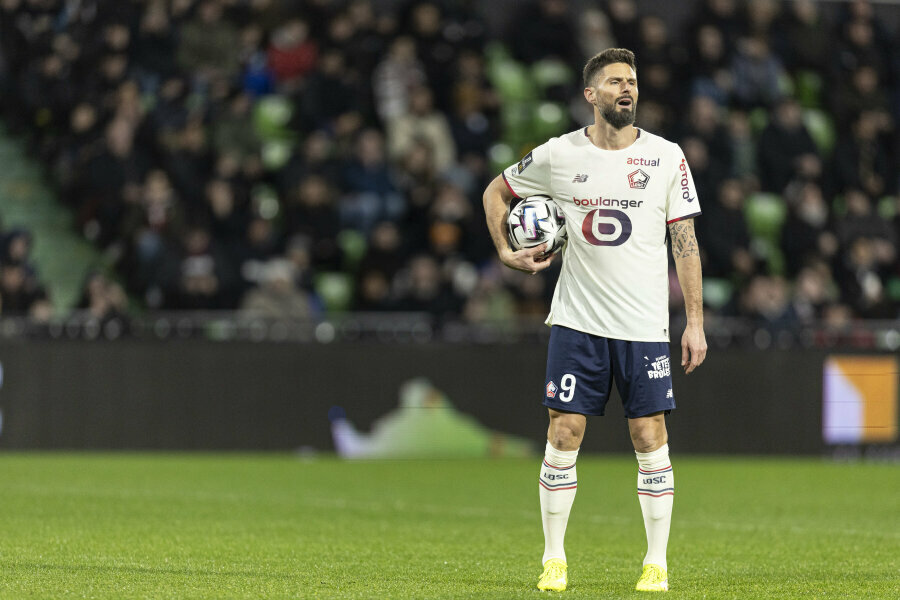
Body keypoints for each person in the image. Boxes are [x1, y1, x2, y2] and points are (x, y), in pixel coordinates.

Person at [482, 48, 707, 593]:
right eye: (614, 82)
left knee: (649, 435)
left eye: (632, 81)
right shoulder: (559, 154)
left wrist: (695, 321)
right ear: (591, 95)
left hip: (644, 327)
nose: (627, 89)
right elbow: (496, 191)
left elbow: (685, 241)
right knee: (564, 431)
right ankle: (553, 558)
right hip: (577, 322)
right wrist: (506, 251)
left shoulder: (667, 157)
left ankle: (656, 562)